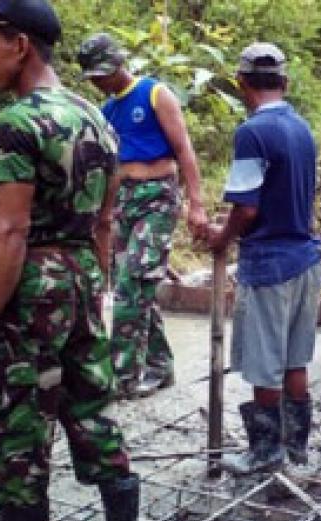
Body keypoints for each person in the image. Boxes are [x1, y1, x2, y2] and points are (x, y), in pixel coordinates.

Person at [0, 1, 141, 521]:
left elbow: (11, 230)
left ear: (21, 45)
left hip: (34, 284)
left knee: (16, 416)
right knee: (90, 402)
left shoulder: (19, 121)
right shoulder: (99, 119)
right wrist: (97, 291)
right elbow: (106, 221)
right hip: (82, 273)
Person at [205, 43, 321, 476]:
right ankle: (296, 451)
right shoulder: (301, 127)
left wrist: (222, 236)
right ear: (285, 82)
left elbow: (248, 207)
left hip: (270, 263)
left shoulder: (252, 133)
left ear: (241, 84)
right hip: (305, 259)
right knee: (295, 360)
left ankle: (266, 452)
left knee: (263, 363)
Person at [77, 33, 209, 398]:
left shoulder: (154, 93)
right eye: (94, 77)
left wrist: (196, 204)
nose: (101, 80)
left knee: (130, 285)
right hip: (125, 200)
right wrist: (101, 215)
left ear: (120, 64)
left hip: (158, 195)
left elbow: (184, 149)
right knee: (134, 285)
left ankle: (123, 376)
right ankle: (160, 366)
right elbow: (109, 169)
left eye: (104, 72)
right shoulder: (106, 112)